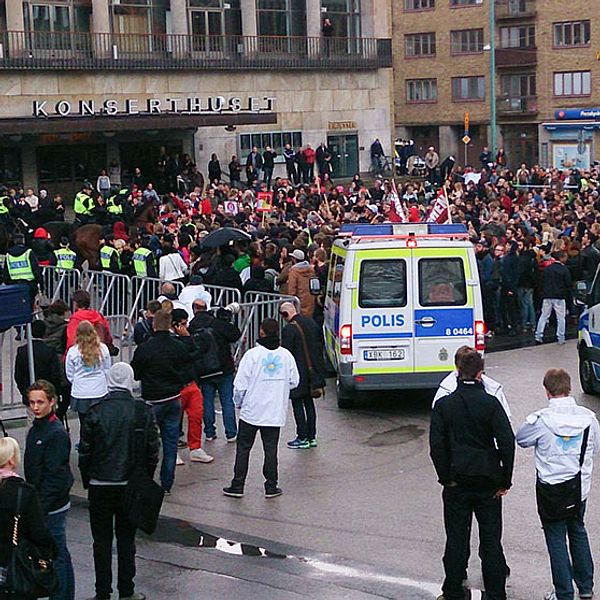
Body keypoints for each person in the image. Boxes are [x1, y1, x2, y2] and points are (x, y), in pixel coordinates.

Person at [429, 349, 514, 600]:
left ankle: (453, 590)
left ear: (458, 372)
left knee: (456, 539)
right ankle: (496, 593)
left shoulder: (445, 405)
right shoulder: (490, 403)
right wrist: (504, 480)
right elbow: (507, 442)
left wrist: (445, 477)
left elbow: (437, 446)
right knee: (491, 541)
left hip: (457, 481)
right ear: (480, 373)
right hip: (488, 481)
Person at [516, 369, 600, 600]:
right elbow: (596, 447)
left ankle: (563, 592)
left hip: (551, 489)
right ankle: (585, 586)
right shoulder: (588, 418)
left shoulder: (541, 420)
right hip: (578, 488)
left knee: (555, 538)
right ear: (569, 388)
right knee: (578, 530)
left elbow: (521, 439)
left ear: (547, 391)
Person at [79, 363, 159, 600]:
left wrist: (88, 479)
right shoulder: (142, 411)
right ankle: (127, 591)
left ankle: (102, 592)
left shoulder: (96, 410)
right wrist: (145, 477)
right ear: (130, 380)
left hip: (100, 484)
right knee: (126, 540)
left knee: (101, 542)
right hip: (130, 484)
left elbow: (85, 450)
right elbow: (152, 449)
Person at [223, 318, 299, 498]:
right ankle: (271, 486)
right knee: (270, 449)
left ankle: (238, 485)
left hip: (252, 411)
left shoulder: (252, 355)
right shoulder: (286, 355)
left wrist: (238, 402)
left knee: (243, 448)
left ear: (261, 332)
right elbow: (294, 381)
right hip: (274, 413)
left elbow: (240, 385)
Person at [131, 309, 194, 494]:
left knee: (146, 442)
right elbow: (189, 367)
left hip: (152, 399)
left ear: (153, 324)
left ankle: (145, 480)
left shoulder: (145, 348)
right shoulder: (178, 346)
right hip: (174, 397)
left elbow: (136, 372)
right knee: (170, 442)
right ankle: (167, 483)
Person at [24, 380, 74, 600]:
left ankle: (62, 595)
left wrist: (40, 508)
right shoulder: (39, 427)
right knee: (60, 552)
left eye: (40, 402)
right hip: (45, 500)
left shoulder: (55, 433)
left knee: (57, 554)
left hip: (52, 504)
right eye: (32, 402)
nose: (35, 407)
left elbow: (55, 477)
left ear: (52, 402)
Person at [0, 437, 56, 600]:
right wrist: (50, 552)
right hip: (14, 565)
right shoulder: (24, 492)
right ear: (11, 460)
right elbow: (38, 532)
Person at [189, 299, 241, 442]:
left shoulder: (191, 327)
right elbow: (235, 334)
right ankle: (231, 433)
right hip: (223, 367)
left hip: (204, 371)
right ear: (206, 308)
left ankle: (210, 432)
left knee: (207, 401)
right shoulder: (216, 323)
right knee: (227, 401)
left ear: (194, 310)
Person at [280, 301, 325, 449]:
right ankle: (312, 437)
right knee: (310, 404)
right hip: (313, 371)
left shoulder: (289, 330)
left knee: (298, 405)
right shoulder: (310, 323)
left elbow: (287, 354)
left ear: (285, 314)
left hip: (298, 373)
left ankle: (302, 436)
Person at [170, 309, 213, 464]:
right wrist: (187, 339)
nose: (186, 327)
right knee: (175, 420)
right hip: (177, 384)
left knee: (196, 416)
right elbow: (188, 354)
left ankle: (195, 448)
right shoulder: (173, 340)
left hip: (190, 382)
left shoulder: (186, 338)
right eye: (183, 324)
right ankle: (172, 450)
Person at [432, 345, 511, 419]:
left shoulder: (444, 395)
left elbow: (436, 429)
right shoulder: (493, 392)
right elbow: (505, 423)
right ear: (480, 371)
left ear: (456, 367)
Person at [65, 321, 111, 431]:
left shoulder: (73, 351)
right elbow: (107, 369)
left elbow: (70, 374)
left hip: (81, 392)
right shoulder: (103, 348)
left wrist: (78, 382)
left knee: (84, 423)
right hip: (99, 390)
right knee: (100, 422)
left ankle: (85, 444)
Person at [14, 320, 63, 407]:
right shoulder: (50, 351)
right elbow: (55, 374)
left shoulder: (22, 351)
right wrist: (55, 392)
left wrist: (24, 392)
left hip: (29, 394)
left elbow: (18, 375)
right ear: (44, 333)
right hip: (47, 394)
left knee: (32, 418)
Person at [535, 251, 571, 345]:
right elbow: (568, 283)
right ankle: (561, 337)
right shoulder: (564, 269)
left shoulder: (548, 269)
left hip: (547, 295)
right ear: (562, 258)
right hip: (559, 296)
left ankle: (538, 335)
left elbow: (541, 281)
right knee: (560, 317)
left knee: (544, 315)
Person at [3, 232, 40, 308]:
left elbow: (6, 271)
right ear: (23, 240)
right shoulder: (28, 252)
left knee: (16, 307)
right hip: (29, 285)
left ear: (14, 241)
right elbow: (35, 269)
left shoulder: (8, 254)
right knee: (29, 306)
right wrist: (40, 282)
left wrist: (8, 282)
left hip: (14, 285)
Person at [287, 249, 317, 318]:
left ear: (294, 259)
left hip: (299, 301)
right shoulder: (311, 270)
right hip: (310, 300)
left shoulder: (293, 271)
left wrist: (290, 302)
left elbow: (292, 289)